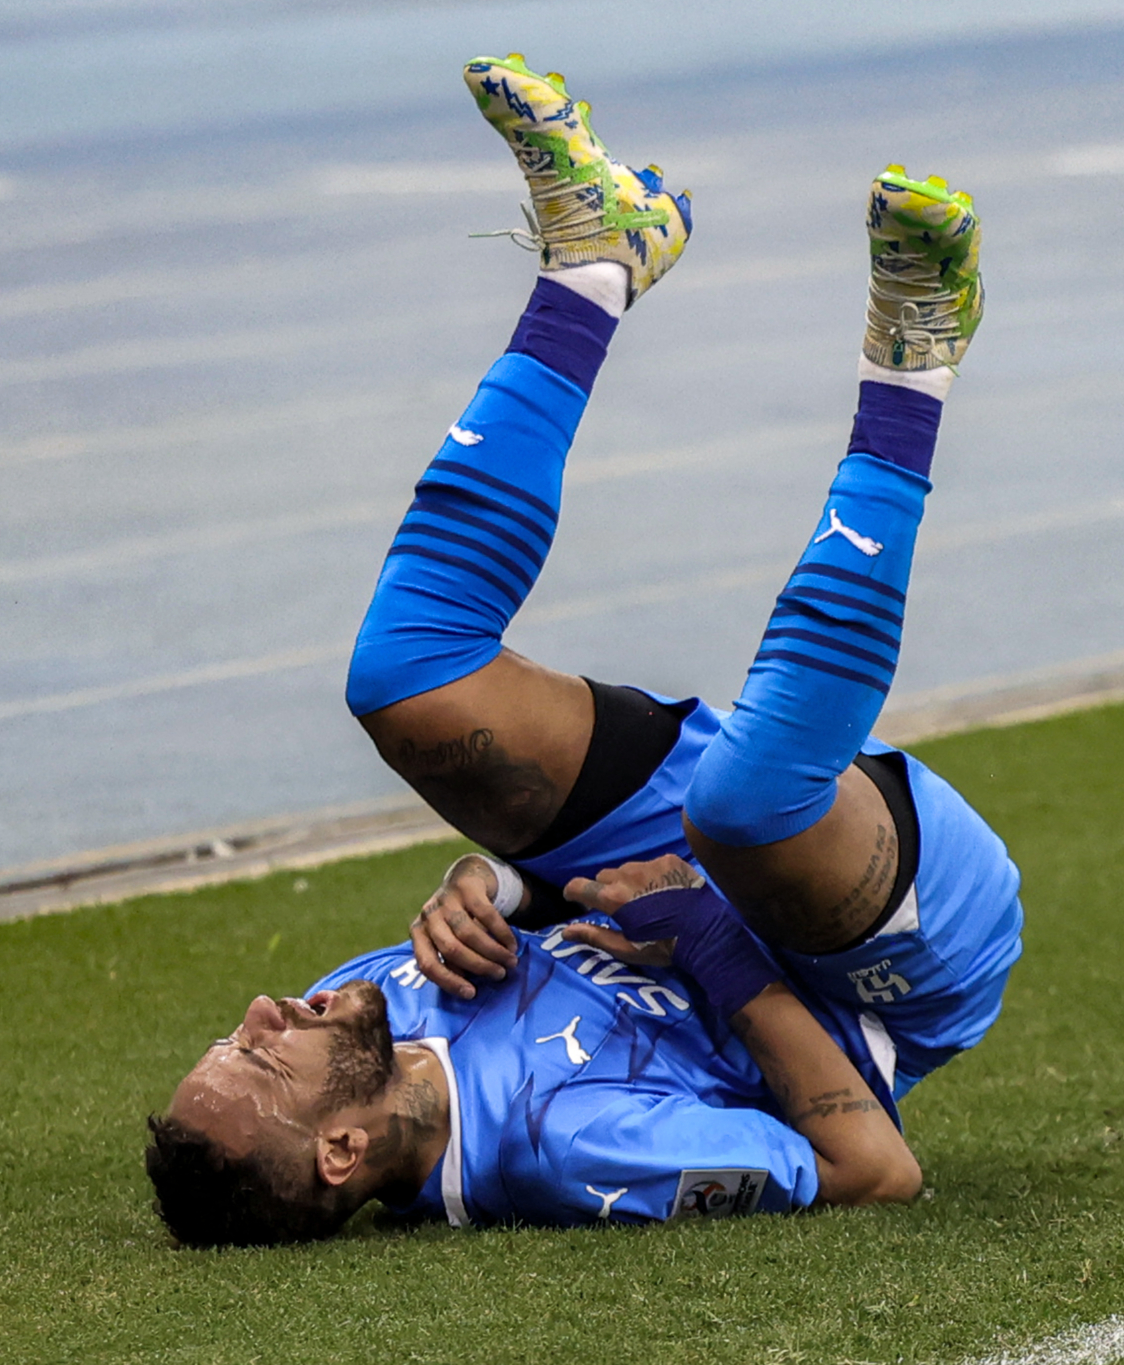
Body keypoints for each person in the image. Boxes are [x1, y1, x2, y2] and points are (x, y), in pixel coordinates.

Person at [144, 52, 1021, 1245]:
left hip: (673, 856)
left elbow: (572, 906)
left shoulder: (381, 1006)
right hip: (876, 955)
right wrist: (711, 939)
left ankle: (593, 262)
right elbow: (871, 1167)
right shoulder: (574, 1148)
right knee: (746, 808)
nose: (261, 1009)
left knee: (404, 682)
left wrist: (498, 886)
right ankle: (910, 363)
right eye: (259, 1055)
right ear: (341, 1150)